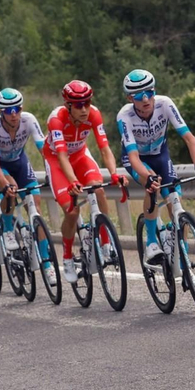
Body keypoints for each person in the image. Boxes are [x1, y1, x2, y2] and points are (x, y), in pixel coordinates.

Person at [115, 69, 195, 264]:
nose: (147, 99)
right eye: (140, 96)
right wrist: (147, 177)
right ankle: (150, 242)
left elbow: (189, 138)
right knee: (152, 184)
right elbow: (132, 156)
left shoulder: (165, 104)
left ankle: (180, 248)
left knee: (175, 200)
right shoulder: (124, 116)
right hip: (137, 159)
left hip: (160, 154)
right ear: (130, 98)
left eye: (150, 92)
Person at [44, 82, 124, 284]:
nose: (84, 109)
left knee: (98, 189)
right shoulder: (56, 119)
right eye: (78, 105)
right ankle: (68, 256)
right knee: (72, 212)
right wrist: (72, 182)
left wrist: (114, 174)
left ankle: (106, 244)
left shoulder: (94, 115)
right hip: (56, 160)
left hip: (80, 155)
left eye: (87, 103)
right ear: (68, 105)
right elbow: (62, 156)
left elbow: (104, 148)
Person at [0, 88, 51, 263]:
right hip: (0, 165)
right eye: (8, 111)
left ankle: (45, 259)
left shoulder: (29, 120)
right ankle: (7, 229)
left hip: (20, 162)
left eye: (17, 109)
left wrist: (50, 172)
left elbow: (44, 150)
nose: (14, 114)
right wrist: (4, 184)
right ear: (0, 112)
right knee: (11, 188)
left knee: (35, 205)